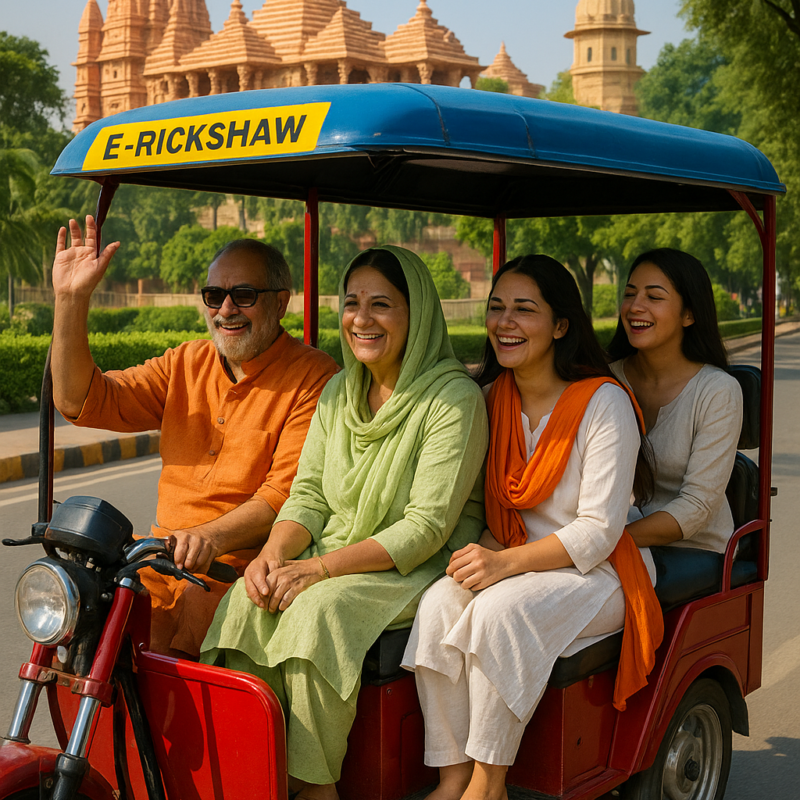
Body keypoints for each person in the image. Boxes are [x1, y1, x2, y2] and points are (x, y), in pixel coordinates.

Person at [200, 245, 489, 800]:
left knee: (317, 610)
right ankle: (253, 772)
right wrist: (273, 555)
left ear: (417, 313)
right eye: (351, 303)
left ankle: (315, 785)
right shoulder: (339, 390)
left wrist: (320, 571)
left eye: (381, 304)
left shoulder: (453, 399)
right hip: (336, 554)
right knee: (247, 598)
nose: (362, 318)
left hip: (416, 566)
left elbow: (424, 527)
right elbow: (307, 494)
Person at [402, 255, 662, 800]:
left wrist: (500, 565)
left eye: (525, 309)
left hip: (603, 572)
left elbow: (597, 532)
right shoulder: (492, 399)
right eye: (497, 308)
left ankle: (487, 783)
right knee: (439, 604)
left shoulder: (604, 402)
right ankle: (450, 776)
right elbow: (498, 516)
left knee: (498, 613)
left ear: (561, 325)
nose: (505, 322)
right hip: (517, 558)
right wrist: (486, 559)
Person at [51, 215, 338, 657]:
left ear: (281, 304)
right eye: (214, 295)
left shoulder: (313, 377)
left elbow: (285, 494)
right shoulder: (185, 363)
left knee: (190, 670)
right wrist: (71, 298)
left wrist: (209, 539)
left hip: (239, 573)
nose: (226, 310)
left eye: (243, 296)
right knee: (81, 632)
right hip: (157, 563)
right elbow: (82, 401)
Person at [607, 248, 743, 566]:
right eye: (630, 294)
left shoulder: (718, 391)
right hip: (613, 533)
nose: (635, 306)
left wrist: (596, 544)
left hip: (693, 548)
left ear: (689, 314)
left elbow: (696, 508)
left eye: (654, 297)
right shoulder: (605, 378)